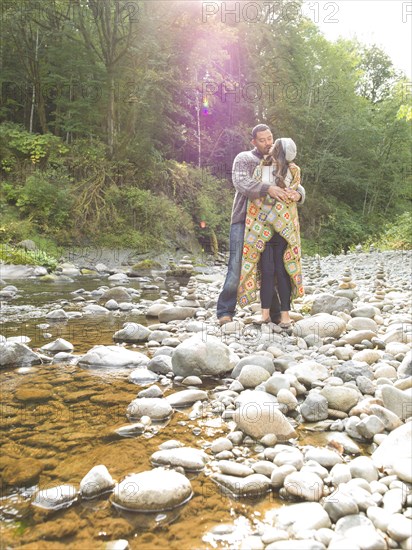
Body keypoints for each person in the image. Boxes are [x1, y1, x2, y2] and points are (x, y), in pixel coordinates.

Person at [216, 124, 305, 326]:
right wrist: (268, 189)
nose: (268, 143)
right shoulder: (245, 159)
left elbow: (294, 183)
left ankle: (274, 313)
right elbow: (241, 183)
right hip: (242, 220)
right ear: (254, 142)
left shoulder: (279, 159)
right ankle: (225, 310)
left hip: (273, 223)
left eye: (270, 138)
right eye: (262, 140)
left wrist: (299, 195)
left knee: (271, 268)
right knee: (237, 265)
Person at [237, 137, 304, 329]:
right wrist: (270, 199)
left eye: (275, 144)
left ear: (279, 151)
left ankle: (285, 316)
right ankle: (264, 314)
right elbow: (255, 194)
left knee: (282, 271)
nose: (271, 145)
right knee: (266, 270)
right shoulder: (261, 168)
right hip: (262, 227)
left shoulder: (293, 170)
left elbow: (293, 193)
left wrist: (294, 195)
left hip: (284, 229)